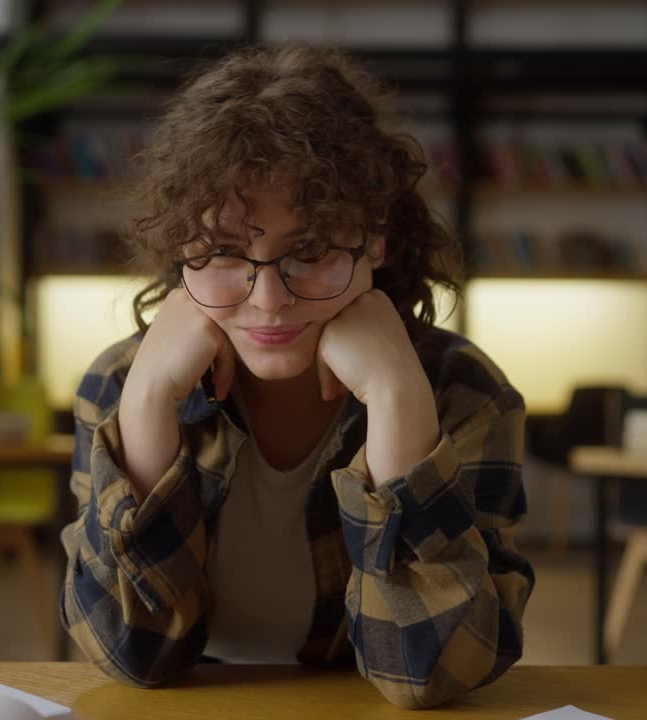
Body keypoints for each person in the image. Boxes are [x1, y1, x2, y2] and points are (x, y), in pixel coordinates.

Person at [59, 45, 533, 710]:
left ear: (374, 239)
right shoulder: (116, 383)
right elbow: (130, 654)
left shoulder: (464, 392)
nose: (270, 299)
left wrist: (398, 400)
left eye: (308, 250)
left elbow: (433, 673)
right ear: (179, 252)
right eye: (225, 252)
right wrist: (145, 403)